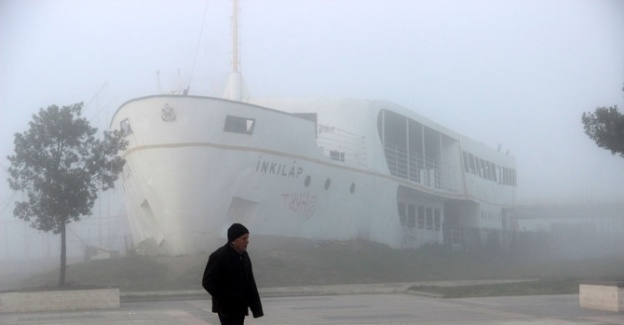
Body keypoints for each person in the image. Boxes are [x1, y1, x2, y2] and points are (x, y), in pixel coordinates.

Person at [202, 223, 264, 325]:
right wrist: (228, 297)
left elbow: (250, 282)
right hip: (226, 309)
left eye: (247, 238)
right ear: (234, 240)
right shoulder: (219, 256)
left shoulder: (243, 255)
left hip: (240, 307)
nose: (247, 242)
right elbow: (207, 282)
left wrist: (256, 307)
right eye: (244, 239)